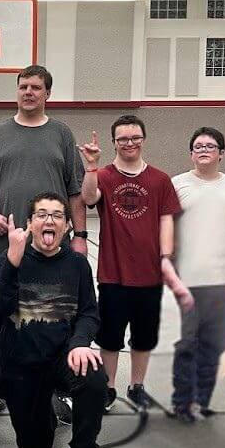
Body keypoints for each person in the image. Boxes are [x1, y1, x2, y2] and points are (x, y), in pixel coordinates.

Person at [0, 65, 86, 420]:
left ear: (47, 93)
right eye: (23, 86)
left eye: (36, 87)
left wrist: (79, 236)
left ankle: (59, 390)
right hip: (4, 249)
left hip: (52, 250)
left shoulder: (61, 134)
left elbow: (75, 191)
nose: (28, 92)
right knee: (1, 320)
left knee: (54, 317)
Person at [0, 193, 109, 448]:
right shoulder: (14, 259)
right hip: (21, 365)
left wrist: (80, 343)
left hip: (61, 357)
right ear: (30, 224)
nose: (49, 220)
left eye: (57, 215)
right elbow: (0, 312)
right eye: (41, 214)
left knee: (94, 375)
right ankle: (53, 408)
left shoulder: (77, 265)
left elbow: (88, 312)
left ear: (68, 225)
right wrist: (11, 261)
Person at [79, 114, 181, 411]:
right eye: (123, 139)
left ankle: (137, 385)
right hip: (113, 272)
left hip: (149, 273)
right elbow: (87, 198)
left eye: (135, 137)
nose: (129, 143)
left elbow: (166, 221)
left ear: (143, 139)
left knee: (144, 335)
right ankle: (108, 388)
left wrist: (166, 259)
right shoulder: (105, 176)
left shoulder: (160, 179)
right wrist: (91, 166)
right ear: (114, 142)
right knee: (110, 336)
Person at [166, 127, 225, 421]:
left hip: (221, 281)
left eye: (211, 146)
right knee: (189, 342)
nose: (204, 150)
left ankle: (201, 401)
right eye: (198, 146)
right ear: (191, 153)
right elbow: (165, 231)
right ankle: (182, 402)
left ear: (221, 153)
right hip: (187, 279)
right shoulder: (177, 185)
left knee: (214, 344)